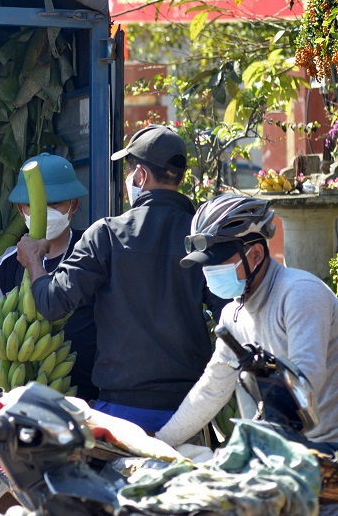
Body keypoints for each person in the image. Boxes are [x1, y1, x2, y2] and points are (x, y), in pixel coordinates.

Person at [16, 124, 227, 432]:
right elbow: (232, 318)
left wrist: (34, 261)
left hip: (121, 411)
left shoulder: (107, 234)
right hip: (190, 410)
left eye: (130, 174)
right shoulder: (201, 239)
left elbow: (52, 303)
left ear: (140, 176)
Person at [155, 194, 338, 448]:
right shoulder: (233, 315)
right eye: (205, 264)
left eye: (218, 262)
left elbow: (305, 382)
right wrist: (158, 444)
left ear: (255, 255)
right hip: (281, 451)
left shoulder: (299, 293)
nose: (209, 271)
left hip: (327, 450)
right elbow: (211, 390)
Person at [0, 152, 98, 401]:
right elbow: (0, 321)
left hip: (84, 391)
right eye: (37, 205)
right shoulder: (8, 263)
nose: (46, 211)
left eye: (56, 204)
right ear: (22, 210)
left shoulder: (92, 251)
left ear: (73, 206)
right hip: (21, 392)